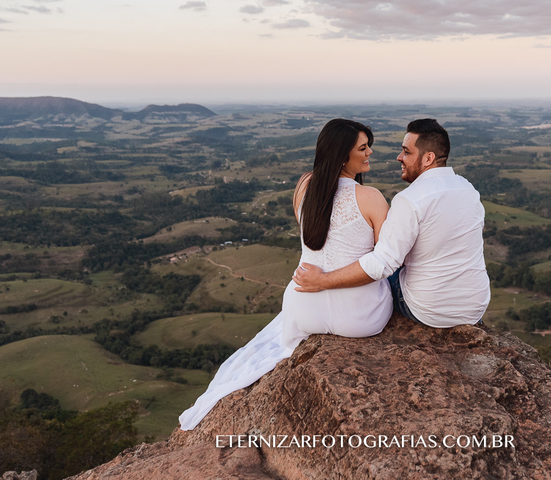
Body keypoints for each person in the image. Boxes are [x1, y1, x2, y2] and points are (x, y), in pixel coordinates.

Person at [177, 118, 392, 430]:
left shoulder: (306, 185)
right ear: (343, 155)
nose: (370, 151)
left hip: (303, 308)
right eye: (363, 147)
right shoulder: (372, 197)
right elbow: (382, 261)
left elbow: (312, 242)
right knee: (392, 276)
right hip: (360, 320)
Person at [294, 118, 490, 328]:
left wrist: (322, 280)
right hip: (475, 306)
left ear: (428, 158)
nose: (399, 157)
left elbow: (382, 264)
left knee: (387, 263)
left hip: (428, 311)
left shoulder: (410, 199)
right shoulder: (469, 190)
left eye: (406, 152)